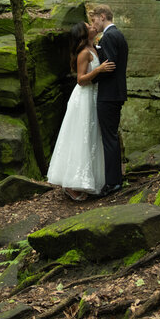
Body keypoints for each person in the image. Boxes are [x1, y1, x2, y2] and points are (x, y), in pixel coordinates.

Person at [47, 22, 116, 200]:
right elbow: (80, 79)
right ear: (84, 33)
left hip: (95, 96)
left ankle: (90, 180)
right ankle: (71, 184)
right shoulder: (84, 53)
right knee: (81, 136)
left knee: (93, 136)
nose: (93, 26)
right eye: (89, 26)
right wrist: (99, 69)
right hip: (84, 97)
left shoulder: (94, 47)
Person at [89, 4, 129, 196]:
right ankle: (115, 179)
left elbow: (110, 65)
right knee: (110, 137)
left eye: (94, 19)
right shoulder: (117, 35)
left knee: (109, 138)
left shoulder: (110, 36)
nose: (93, 24)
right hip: (114, 93)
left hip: (109, 94)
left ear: (102, 16)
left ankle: (113, 183)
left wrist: (93, 77)